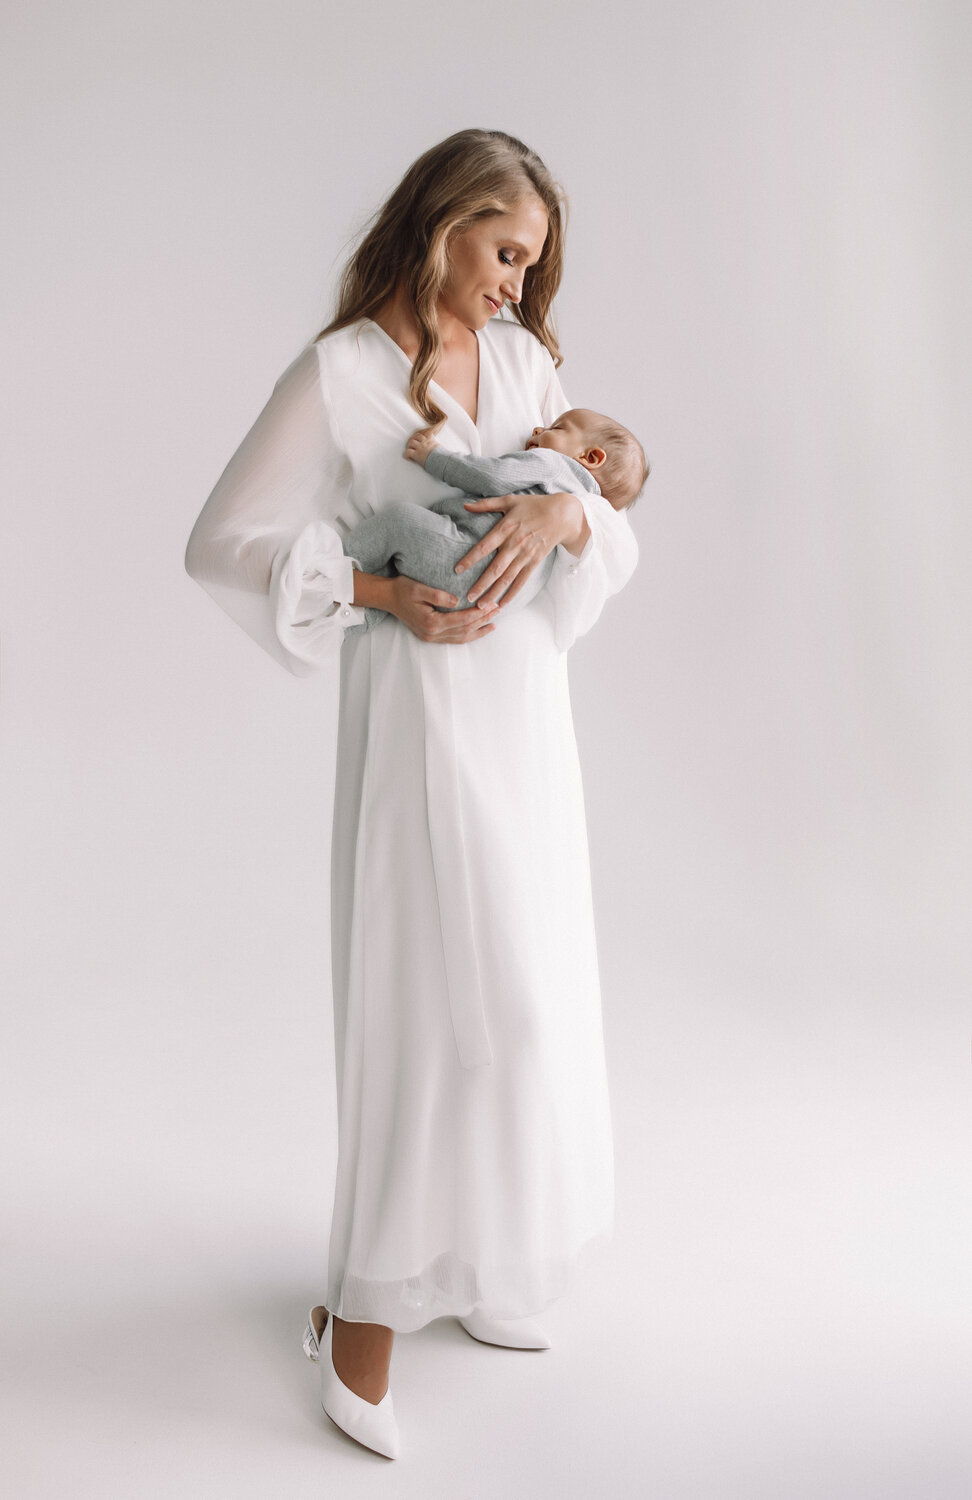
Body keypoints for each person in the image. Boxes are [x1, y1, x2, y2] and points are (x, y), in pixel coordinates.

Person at [183, 128, 639, 1461]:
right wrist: (380, 592)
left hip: (525, 727)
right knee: (421, 1010)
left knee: (525, 1004)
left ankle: (486, 1260)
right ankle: (363, 1316)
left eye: (531, 265)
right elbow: (221, 540)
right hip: (414, 731)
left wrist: (568, 514)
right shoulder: (338, 377)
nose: (516, 284)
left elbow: (593, 515)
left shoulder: (525, 363)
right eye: (505, 253)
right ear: (444, 224)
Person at [340, 407, 649, 636]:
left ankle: (341, 568)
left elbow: (493, 476)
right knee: (399, 563)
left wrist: (433, 457)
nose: (538, 428)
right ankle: (362, 617)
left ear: (590, 458)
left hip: (462, 559)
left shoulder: (555, 465)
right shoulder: (583, 511)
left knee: (399, 522)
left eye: (557, 427)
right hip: (489, 604)